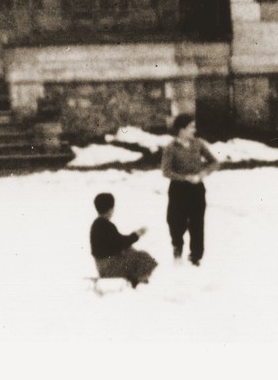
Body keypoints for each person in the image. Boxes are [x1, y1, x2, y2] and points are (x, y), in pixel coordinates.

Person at [161, 113, 219, 265]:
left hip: (197, 189)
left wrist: (202, 173)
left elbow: (214, 162)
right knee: (175, 221)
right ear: (181, 129)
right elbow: (166, 171)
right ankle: (177, 246)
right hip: (178, 190)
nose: (194, 130)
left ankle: (196, 256)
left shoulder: (198, 144)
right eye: (191, 127)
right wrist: (185, 178)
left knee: (197, 223)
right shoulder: (170, 148)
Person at [89, 192, 158, 288]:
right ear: (110, 209)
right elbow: (121, 243)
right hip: (109, 267)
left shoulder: (97, 224)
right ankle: (136, 281)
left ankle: (134, 279)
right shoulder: (106, 225)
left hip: (101, 265)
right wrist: (137, 235)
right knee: (144, 257)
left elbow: (116, 242)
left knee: (131, 251)